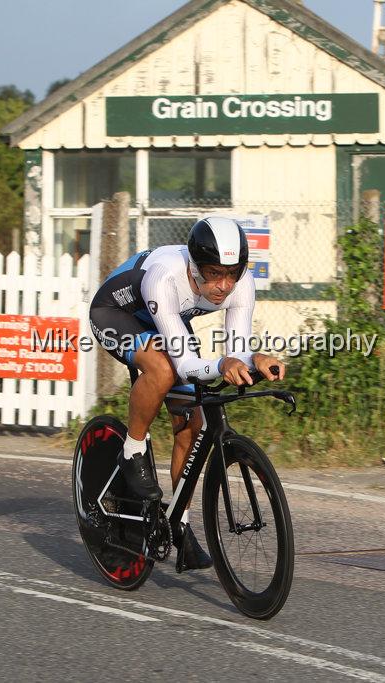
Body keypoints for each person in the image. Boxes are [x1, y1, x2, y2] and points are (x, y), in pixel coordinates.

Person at [89, 216, 285, 571]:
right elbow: (183, 364)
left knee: (191, 426)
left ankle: (179, 524)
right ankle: (132, 450)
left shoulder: (241, 284)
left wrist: (252, 360)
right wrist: (224, 364)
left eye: (233, 273)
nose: (224, 285)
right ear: (195, 266)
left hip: (167, 322)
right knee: (163, 370)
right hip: (114, 313)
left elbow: (235, 351)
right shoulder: (166, 276)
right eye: (213, 273)